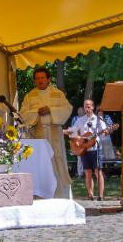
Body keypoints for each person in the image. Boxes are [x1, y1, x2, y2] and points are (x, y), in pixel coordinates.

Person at [20, 67, 73, 198]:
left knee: (57, 160)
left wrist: (50, 110)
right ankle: (41, 194)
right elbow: (23, 114)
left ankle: (60, 195)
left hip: (54, 133)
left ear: (48, 79)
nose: (40, 80)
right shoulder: (29, 96)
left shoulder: (58, 94)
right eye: (37, 78)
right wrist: (37, 112)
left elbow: (67, 108)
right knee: (41, 162)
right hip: (38, 135)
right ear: (34, 81)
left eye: (43, 78)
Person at [73, 99, 107, 201]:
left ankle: (100, 196)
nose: (87, 108)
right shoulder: (80, 120)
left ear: (92, 107)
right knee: (87, 172)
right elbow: (74, 132)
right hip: (84, 149)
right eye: (85, 106)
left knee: (98, 172)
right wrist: (79, 139)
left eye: (88, 106)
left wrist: (106, 131)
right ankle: (90, 195)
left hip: (96, 148)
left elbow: (104, 132)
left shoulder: (98, 119)